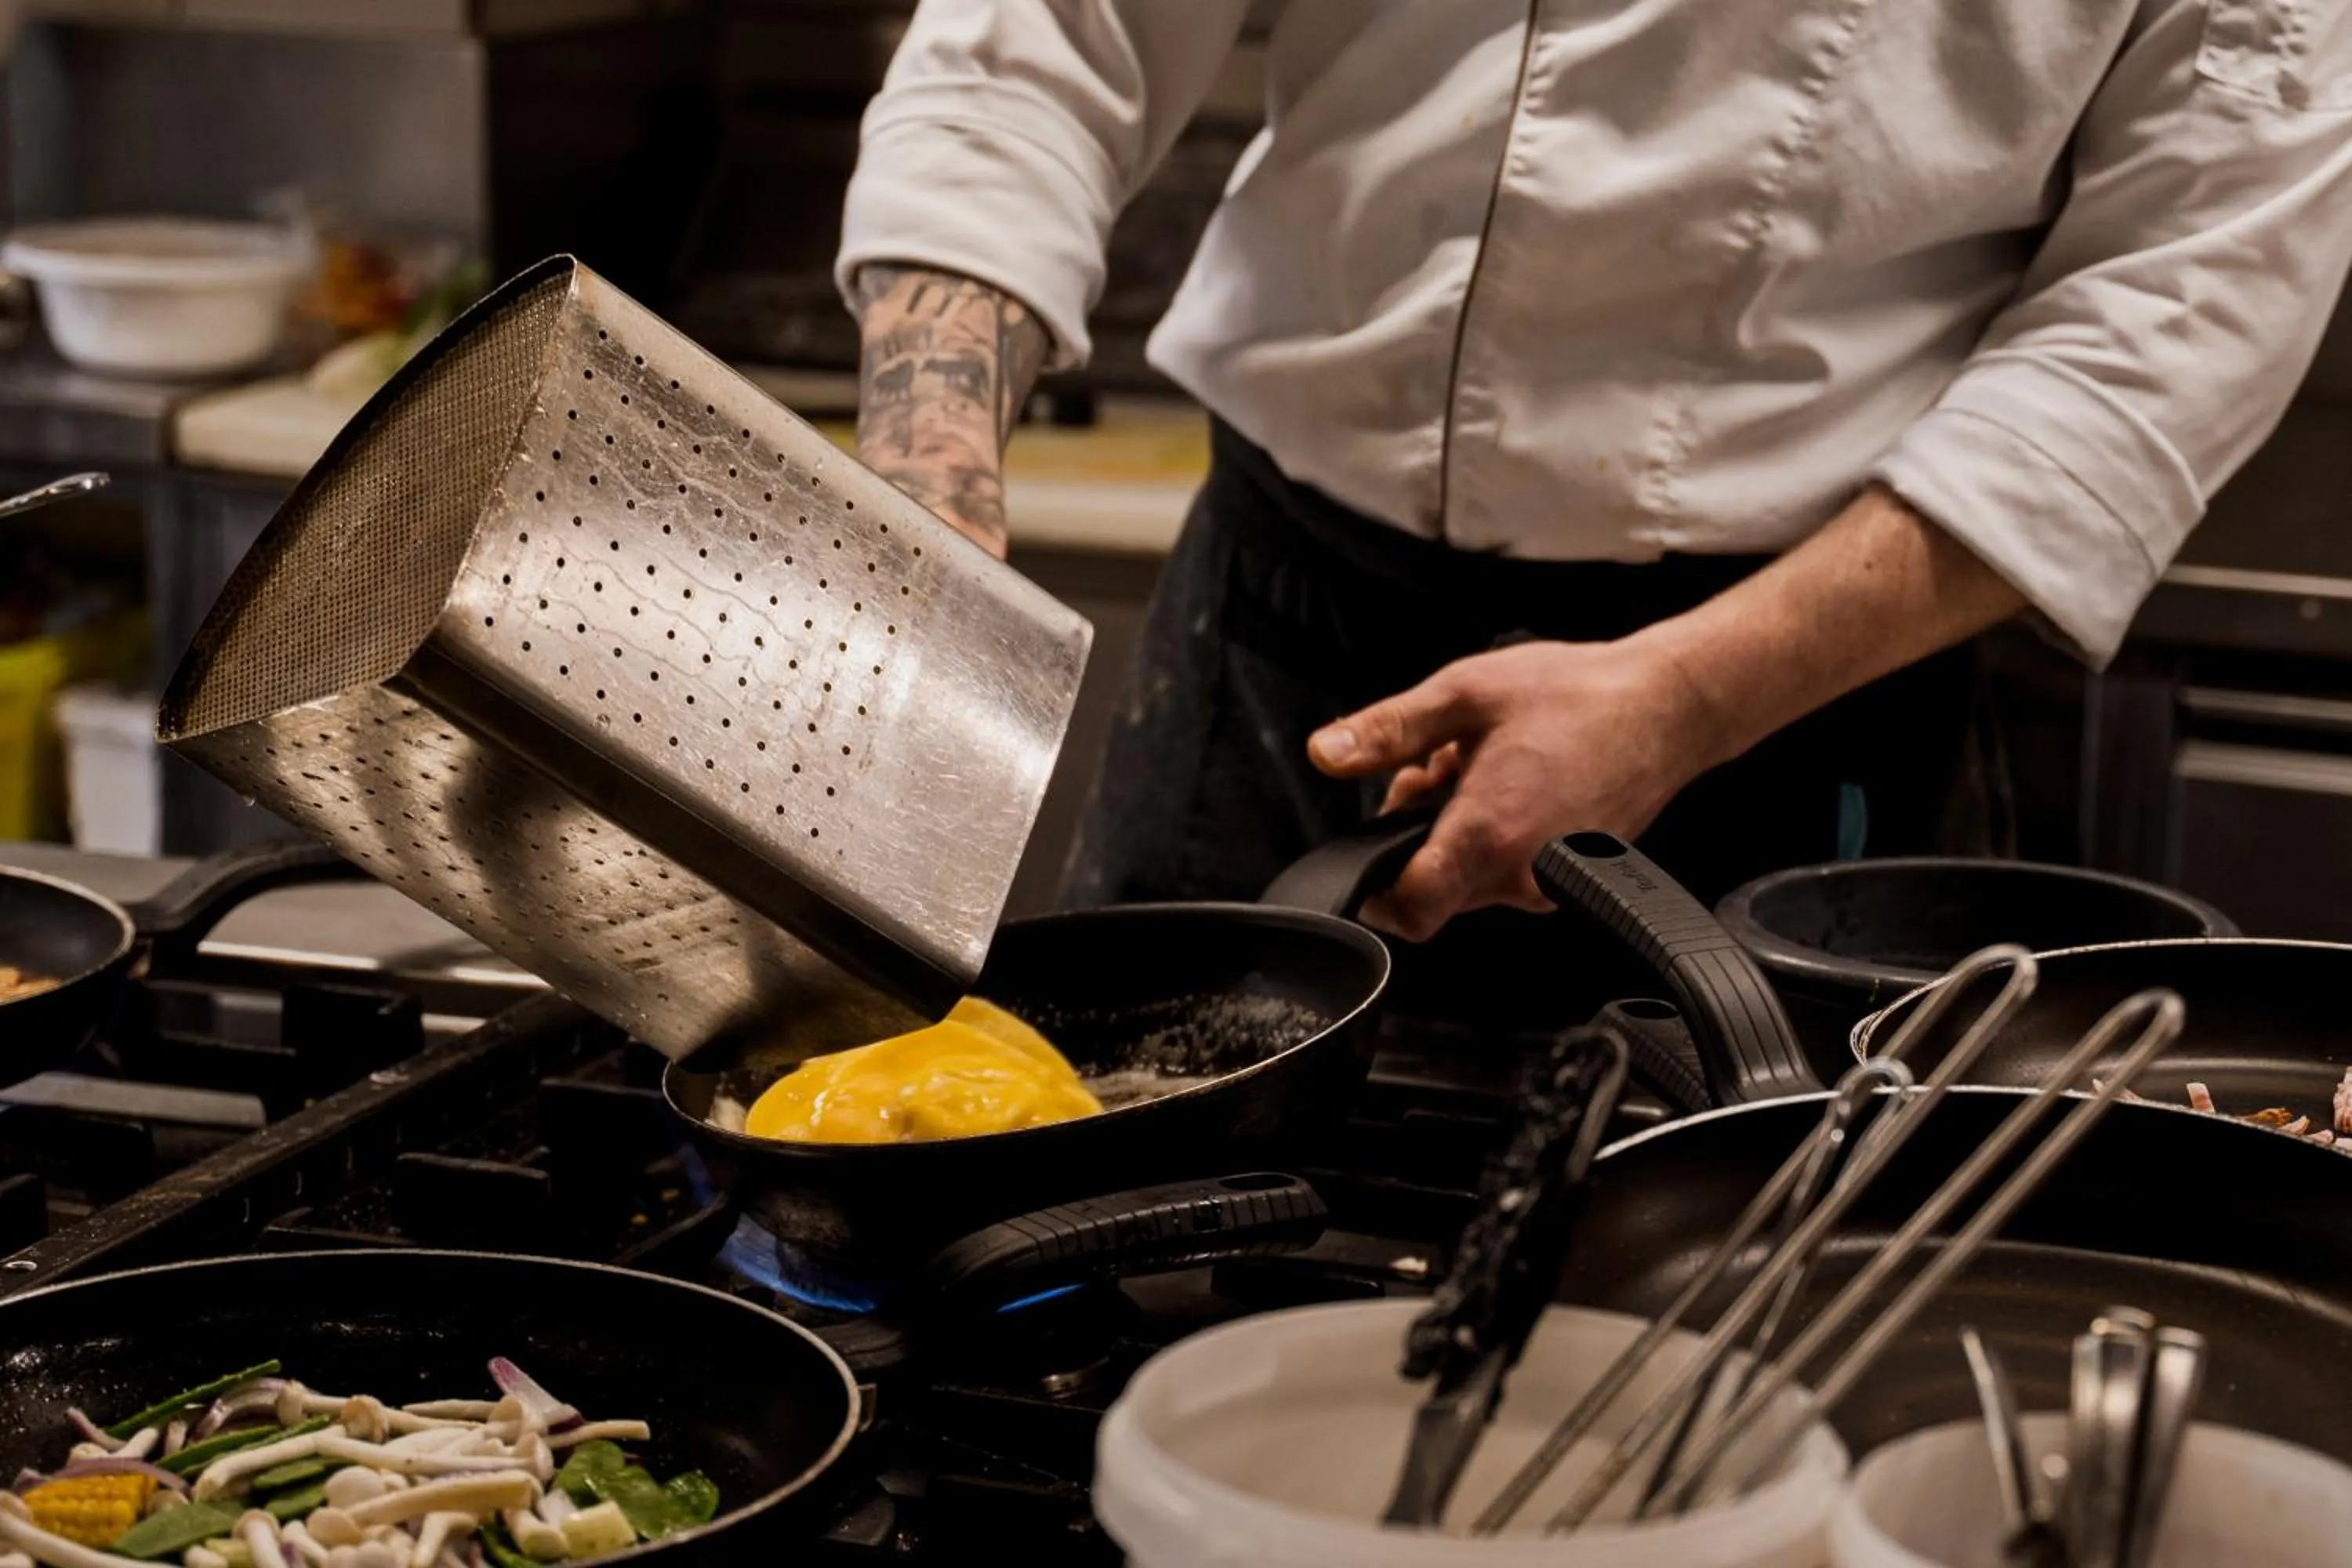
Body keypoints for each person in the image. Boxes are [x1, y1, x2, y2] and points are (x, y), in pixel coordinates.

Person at [834, 2, 2352, 960]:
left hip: (1793, 688)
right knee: (1124, 1234)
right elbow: (1038, 45)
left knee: (1720, 1327)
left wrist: (1689, 696)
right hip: (1273, 624)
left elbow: (2161, 325)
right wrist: (931, 494)